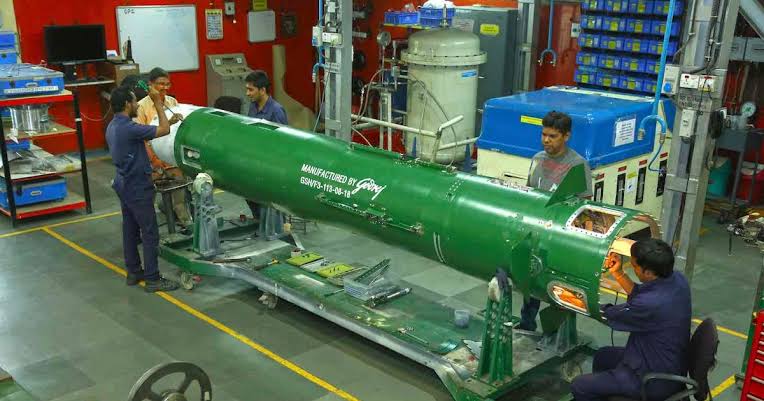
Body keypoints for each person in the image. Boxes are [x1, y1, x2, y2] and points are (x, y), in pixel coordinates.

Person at [571, 239, 691, 401]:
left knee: (579, 386)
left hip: (652, 379)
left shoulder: (650, 303)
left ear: (648, 272)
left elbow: (612, 314)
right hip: (667, 361)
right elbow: (640, 294)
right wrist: (618, 273)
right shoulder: (676, 279)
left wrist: (576, 300)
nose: (633, 268)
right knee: (603, 356)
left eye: (634, 266)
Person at [518, 111, 593, 333]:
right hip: (536, 231)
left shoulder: (577, 165)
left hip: (560, 237)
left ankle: (557, 332)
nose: (546, 140)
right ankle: (527, 324)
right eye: (544, 135)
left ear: (566, 136)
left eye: (553, 136)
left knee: (558, 285)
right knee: (531, 279)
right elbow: (530, 193)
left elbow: (584, 207)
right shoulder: (537, 159)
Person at [106, 85, 180, 292]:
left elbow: (141, 136)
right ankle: (153, 279)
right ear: (127, 104)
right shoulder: (129, 127)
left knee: (130, 229)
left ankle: (134, 272)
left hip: (123, 183)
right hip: (137, 185)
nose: (137, 105)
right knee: (149, 233)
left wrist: (169, 121)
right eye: (134, 101)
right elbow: (163, 131)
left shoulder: (114, 125)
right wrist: (157, 102)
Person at [136, 67, 191, 229]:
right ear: (150, 85)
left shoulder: (172, 102)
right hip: (151, 160)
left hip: (170, 157)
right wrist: (154, 161)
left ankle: (186, 222)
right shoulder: (141, 107)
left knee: (180, 198)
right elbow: (141, 139)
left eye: (167, 84)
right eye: (161, 84)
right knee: (147, 200)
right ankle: (145, 228)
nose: (165, 88)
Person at [244, 70, 288, 224]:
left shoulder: (276, 111)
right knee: (247, 192)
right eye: (247, 89)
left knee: (269, 202)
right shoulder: (253, 107)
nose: (247, 93)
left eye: (251, 89)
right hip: (255, 160)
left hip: (270, 164)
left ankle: (276, 226)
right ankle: (260, 221)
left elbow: (284, 142)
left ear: (262, 90)